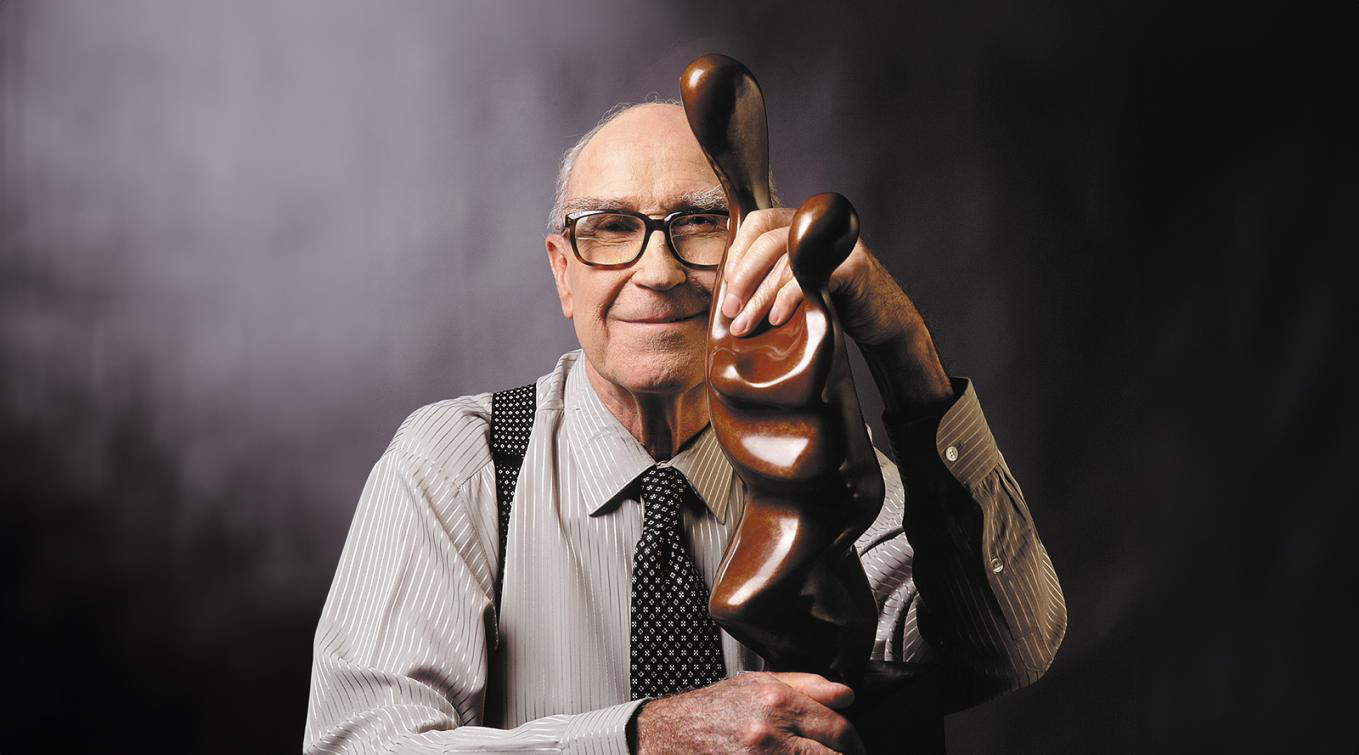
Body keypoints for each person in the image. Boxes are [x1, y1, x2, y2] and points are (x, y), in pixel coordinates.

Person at [304, 101, 1066, 754]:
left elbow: (1006, 650)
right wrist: (641, 737)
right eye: (607, 227)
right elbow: (361, 744)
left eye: (698, 223)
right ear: (561, 271)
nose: (659, 271)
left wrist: (902, 349)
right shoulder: (453, 465)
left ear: (752, 250)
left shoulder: (826, 466)